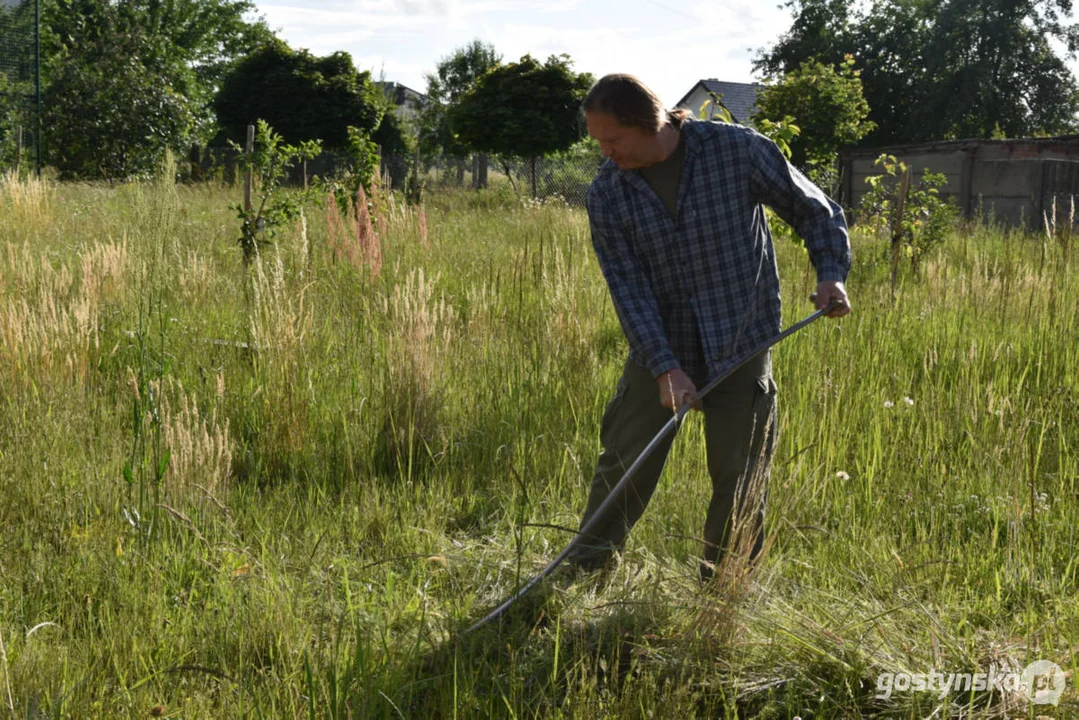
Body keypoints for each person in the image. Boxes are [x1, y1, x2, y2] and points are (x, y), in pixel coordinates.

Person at [567, 74, 852, 581]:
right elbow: (627, 289)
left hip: (741, 338)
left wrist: (830, 274)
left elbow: (815, 210)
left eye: (613, 140)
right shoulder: (608, 194)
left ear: (649, 122)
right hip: (659, 345)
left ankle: (724, 586)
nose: (605, 152)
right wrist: (664, 368)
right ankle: (585, 572)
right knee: (624, 461)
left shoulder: (736, 151)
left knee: (741, 471)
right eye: (598, 143)